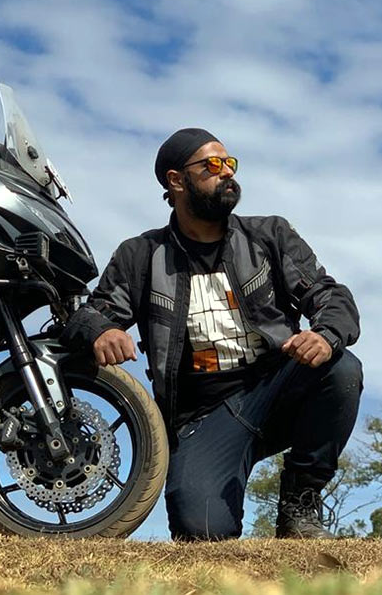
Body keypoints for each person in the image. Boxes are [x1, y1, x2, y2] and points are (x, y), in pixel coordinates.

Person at [61, 128, 362, 539]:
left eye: (229, 164)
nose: (227, 173)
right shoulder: (141, 255)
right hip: (202, 418)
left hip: (275, 389)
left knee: (341, 369)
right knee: (201, 531)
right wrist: (100, 330)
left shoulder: (269, 235)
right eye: (212, 165)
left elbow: (330, 295)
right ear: (176, 180)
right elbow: (90, 314)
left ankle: (299, 505)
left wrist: (325, 334)